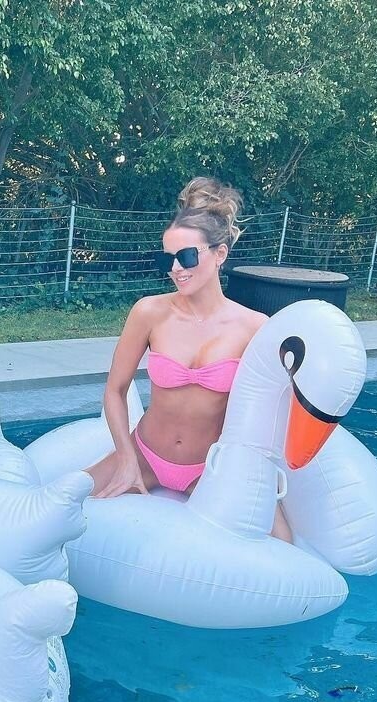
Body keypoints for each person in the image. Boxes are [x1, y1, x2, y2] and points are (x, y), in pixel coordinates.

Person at [85, 176, 292, 541]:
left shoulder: (255, 327)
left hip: (209, 467)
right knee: (59, 504)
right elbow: (115, 391)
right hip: (145, 454)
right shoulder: (149, 312)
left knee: (282, 541)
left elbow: (271, 410)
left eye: (187, 256)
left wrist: (256, 470)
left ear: (220, 254)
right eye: (168, 259)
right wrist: (127, 459)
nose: (176, 268)